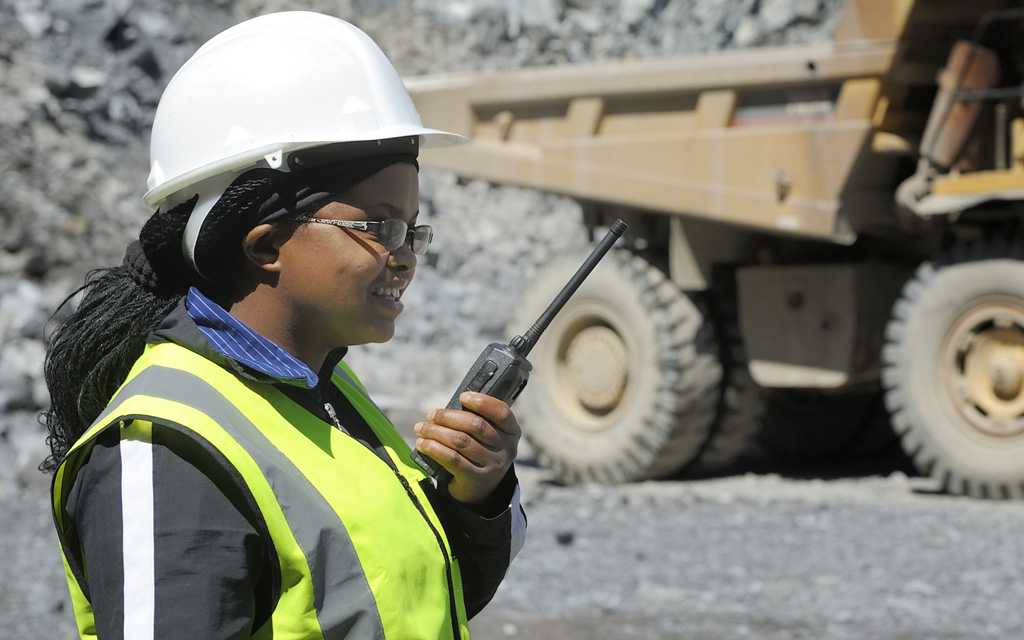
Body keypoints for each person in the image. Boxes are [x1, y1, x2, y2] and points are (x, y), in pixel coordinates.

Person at [42, 12, 527, 640]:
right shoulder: (166, 448)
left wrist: (475, 499)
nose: (404, 256)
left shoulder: (324, 392)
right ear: (265, 243)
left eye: (412, 228)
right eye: (378, 227)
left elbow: (414, 600)